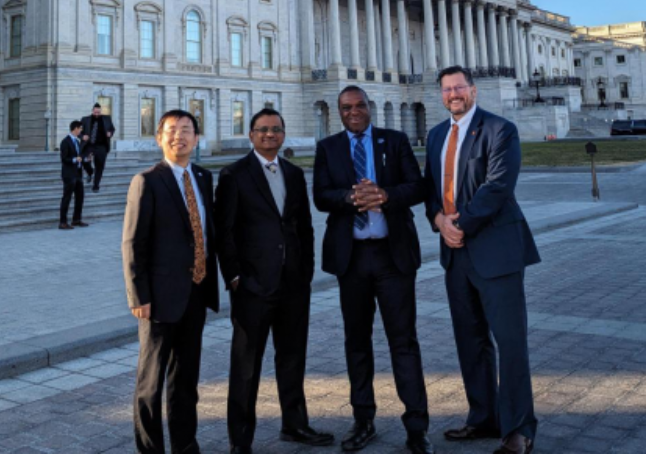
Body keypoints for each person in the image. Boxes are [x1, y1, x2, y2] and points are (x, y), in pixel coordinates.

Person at [424, 66, 539, 453]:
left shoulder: (499, 129)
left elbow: (498, 186)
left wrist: (460, 225)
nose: (453, 94)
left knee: (510, 342)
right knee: (470, 342)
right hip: (455, 256)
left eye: (459, 87)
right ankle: (483, 418)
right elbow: (431, 190)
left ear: (473, 90)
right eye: (447, 89)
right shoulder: (438, 134)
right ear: (441, 94)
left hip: (495, 251)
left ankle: (519, 429)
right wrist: (439, 220)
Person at [312, 86, 434, 454]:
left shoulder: (394, 141)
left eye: (359, 105)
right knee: (357, 341)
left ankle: (416, 427)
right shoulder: (328, 147)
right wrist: (351, 198)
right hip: (352, 258)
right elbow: (320, 196)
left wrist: (384, 196)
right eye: (346, 107)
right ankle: (363, 419)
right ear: (338, 111)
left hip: (391, 256)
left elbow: (417, 186)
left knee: (404, 341)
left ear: (369, 107)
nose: (353, 112)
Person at [215, 108, 334, 453]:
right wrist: (236, 278)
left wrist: (306, 271)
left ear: (284, 134)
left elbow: (305, 227)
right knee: (246, 366)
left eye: (276, 129)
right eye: (263, 130)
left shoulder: (294, 174)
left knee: (293, 357)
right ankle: (241, 440)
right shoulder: (234, 174)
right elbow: (225, 232)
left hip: (293, 284)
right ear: (251, 135)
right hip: (253, 286)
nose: (270, 135)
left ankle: (295, 425)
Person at [123, 109, 219, 454]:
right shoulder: (147, 181)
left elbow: (208, 233)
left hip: (196, 291)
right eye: (172, 130)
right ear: (159, 138)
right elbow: (133, 243)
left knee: (185, 379)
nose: (179, 136)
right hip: (159, 298)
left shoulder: (205, 178)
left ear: (196, 138)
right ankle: (151, 450)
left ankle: (185, 444)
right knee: (151, 382)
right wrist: (138, 296)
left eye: (187, 130)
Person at [59, 120, 88, 229]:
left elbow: (80, 156)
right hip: (69, 174)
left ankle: (76, 219)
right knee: (67, 197)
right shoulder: (65, 142)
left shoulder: (77, 141)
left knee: (80, 197)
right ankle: (63, 222)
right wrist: (75, 159)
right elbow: (64, 159)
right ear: (75, 128)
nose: (81, 130)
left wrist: (85, 159)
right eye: (80, 128)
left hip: (78, 174)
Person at [82, 103, 116, 192]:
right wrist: (82, 136)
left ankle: (96, 185)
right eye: (95, 112)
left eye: (98, 113)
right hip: (89, 145)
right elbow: (79, 131)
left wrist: (110, 133)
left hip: (101, 146)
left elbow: (112, 129)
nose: (97, 114)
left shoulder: (107, 119)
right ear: (92, 111)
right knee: (84, 161)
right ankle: (90, 172)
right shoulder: (85, 119)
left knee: (100, 166)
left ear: (101, 111)